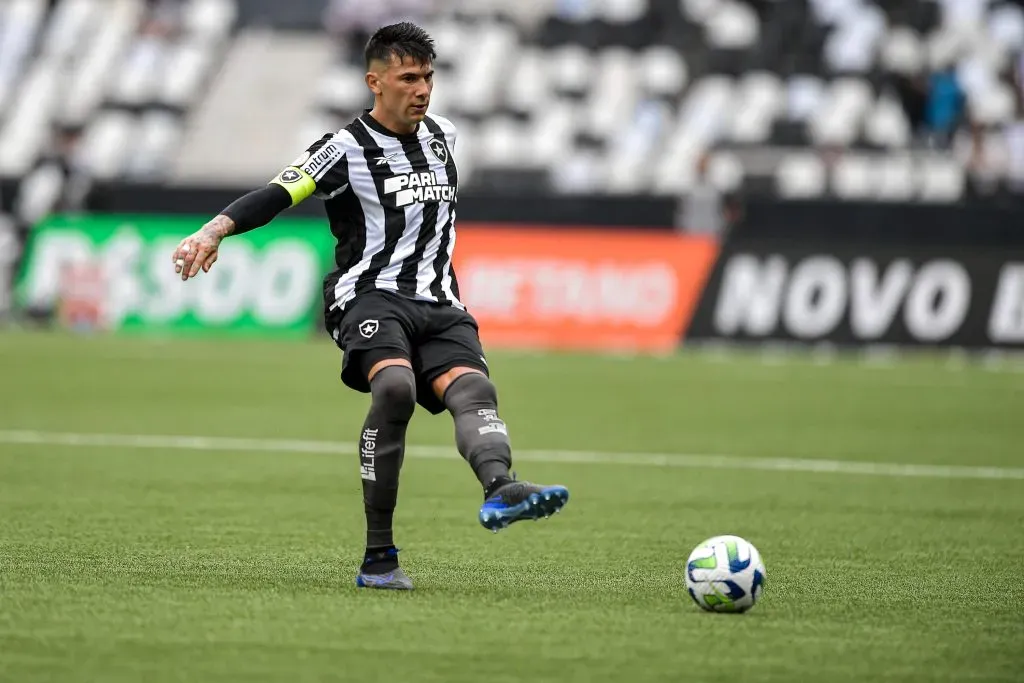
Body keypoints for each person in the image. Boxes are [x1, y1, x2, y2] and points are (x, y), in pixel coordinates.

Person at [170, 22, 570, 591]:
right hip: (368, 294)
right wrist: (216, 229)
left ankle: (501, 488)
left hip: (439, 301)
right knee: (395, 389)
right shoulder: (343, 148)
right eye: (409, 78)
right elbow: (276, 194)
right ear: (375, 82)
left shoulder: (445, 136)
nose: (422, 88)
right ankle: (379, 557)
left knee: (474, 391)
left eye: (428, 76)